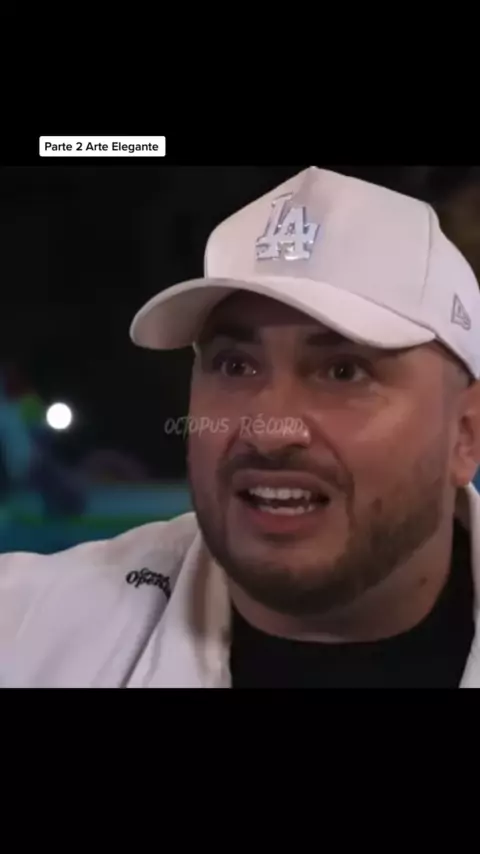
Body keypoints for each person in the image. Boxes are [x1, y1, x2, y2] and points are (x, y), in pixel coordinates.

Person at [1, 165, 480, 688]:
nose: (269, 431)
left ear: (467, 433)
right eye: (235, 365)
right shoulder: (24, 630)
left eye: (344, 371)